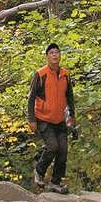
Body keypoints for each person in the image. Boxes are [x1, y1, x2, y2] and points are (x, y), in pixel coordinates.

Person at [26, 43, 75, 192]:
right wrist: (31, 119)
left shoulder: (65, 74)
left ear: (60, 55)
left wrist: (71, 117)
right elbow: (31, 98)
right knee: (53, 147)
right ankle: (39, 171)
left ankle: (55, 182)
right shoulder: (40, 74)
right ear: (47, 56)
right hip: (43, 118)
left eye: (57, 52)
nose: (55, 55)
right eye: (51, 52)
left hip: (60, 119)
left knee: (63, 150)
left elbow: (70, 97)